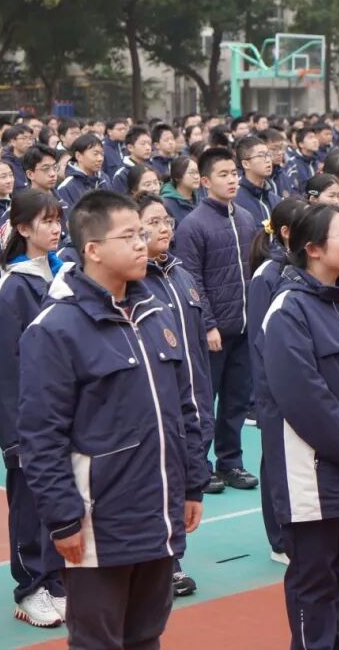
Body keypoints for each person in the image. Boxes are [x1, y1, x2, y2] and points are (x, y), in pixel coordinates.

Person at [17, 189, 207, 650]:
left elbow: (184, 407)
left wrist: (193, 483)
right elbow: (41, 437)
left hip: (158, 514)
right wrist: (63, 519)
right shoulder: (56, 329)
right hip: (98, 525)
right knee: (98, 641)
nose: (143, 243)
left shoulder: (155, 312)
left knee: (146, 636)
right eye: (130, 236)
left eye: (143, 233)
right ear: (93, 250)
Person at [257, 203, 339, 650]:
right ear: (312, 248)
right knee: (314, 579)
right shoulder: (288, 311)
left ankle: (331, 640)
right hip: (311, 474)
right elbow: (305, 399)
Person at [0, 189, 68, 628]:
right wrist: (14, 439)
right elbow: (1, 372)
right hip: (30, 424)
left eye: (58, 219)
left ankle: (57, 581)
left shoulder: (64, 276)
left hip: (65, 417)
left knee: (62, 502)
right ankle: (31, 587)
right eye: (46, 221)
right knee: (30, 505)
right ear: (22, 228)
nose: (55, 228)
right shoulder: (9, 289)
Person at [137, 192, 215, 597]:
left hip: (193, 397)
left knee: (185, 480)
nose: (164, 228)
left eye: (166, 220)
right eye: (152, 222)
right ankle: (164, 563)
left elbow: (198, 345)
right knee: (159, 481)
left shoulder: (181, 275)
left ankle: (169, 557)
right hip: (158, 401)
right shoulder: (135, 283)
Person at [173, 147, 259, 491]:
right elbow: (191, 280)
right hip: (212, 333)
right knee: (203, 403)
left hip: (243, 327)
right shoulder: (193, 225)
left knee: (236, 401)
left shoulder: (247, 218)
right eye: (223, 174)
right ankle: (199, 465)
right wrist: (208, 324)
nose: (232, 180)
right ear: (205, 181)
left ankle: (230, 462)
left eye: (233, 173)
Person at [248, 197, 308, 563]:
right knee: (275, 461)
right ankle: (279, 540)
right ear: (286, 232)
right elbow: (260, 342)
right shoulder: (266, 276)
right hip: (273, 389)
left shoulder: (305, 268)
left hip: (300, 385)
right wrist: (266, 396)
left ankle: (300, 531)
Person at [235, 135, 281, 224]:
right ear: (246, 164)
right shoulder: (235, 201)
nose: (268, 160)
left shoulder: (275, 200)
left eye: (268, 155)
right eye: (261, 156)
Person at [56, 133, 109, 209]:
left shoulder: (104, 179)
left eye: (102, 154)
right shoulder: (67, 187)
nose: (100, 158)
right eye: (95, 154)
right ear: (78, 156)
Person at [161, 156, 200, 227]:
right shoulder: (167, 204)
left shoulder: (201, 199)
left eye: (197, 172)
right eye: (191, 173)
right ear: (177, 177)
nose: (196, 177)